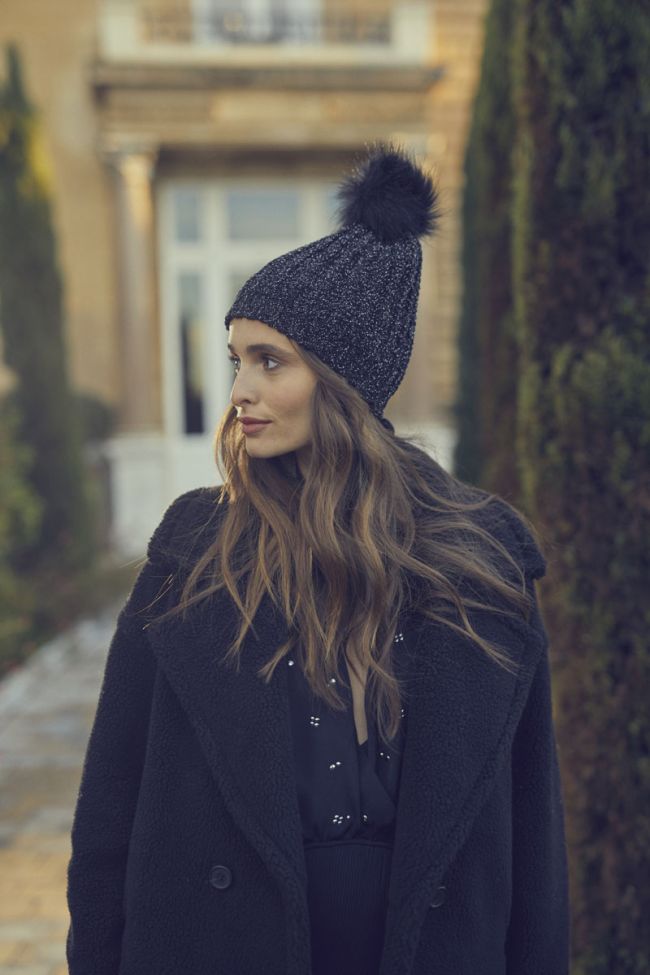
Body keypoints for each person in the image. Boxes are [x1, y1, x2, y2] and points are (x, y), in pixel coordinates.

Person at [65, 142, 570, 975]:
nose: (239, 393)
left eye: (270, 361)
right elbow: (110, 812)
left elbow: (531, 836)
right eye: (237, 360)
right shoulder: (192, 555)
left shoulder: (480, 565)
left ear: (343, 381)